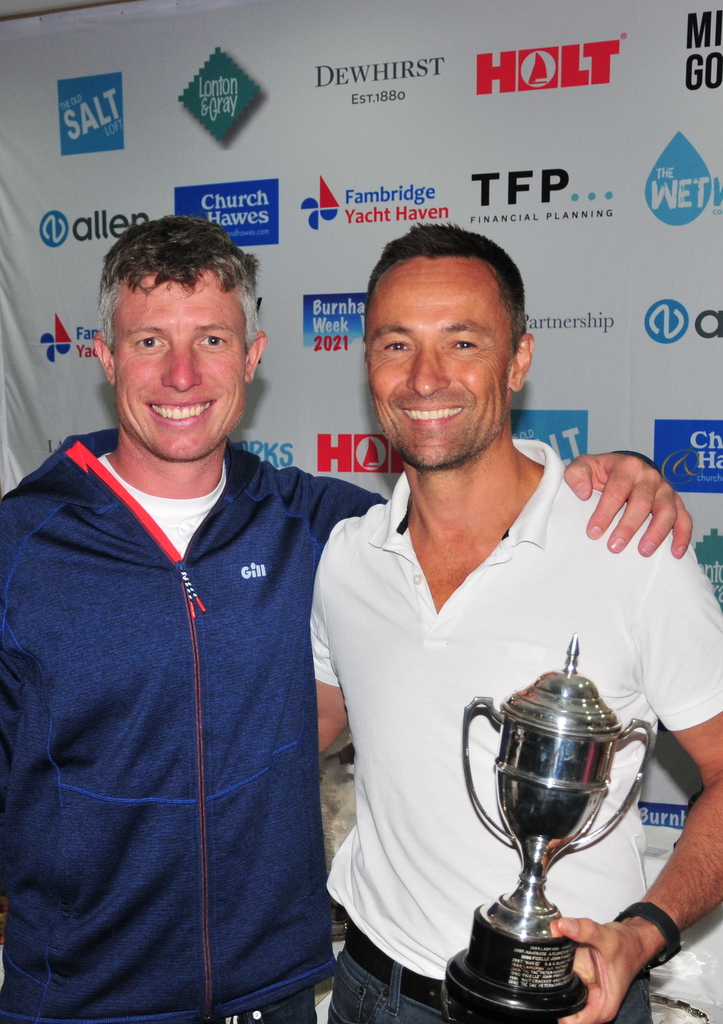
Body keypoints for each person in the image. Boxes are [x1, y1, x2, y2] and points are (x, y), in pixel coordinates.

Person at [0, 215, 688, 1024]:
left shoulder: (322, 527)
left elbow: (462, 492)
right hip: (79, 999)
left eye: (213, 340)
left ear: (252, 358)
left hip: (273, 997)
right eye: (149, 342)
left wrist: (625, 473)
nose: (181, 374)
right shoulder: (22, 544)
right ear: (106, 357)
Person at [313, 224, 723, 1024]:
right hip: (369, 992)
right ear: (366, 362)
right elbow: (308, 722)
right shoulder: (346, 558)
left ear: (519, 359)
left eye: (461, 341)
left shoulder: (626, 543)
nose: (425, 377)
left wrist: (642, 936)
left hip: (561, 1009)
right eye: (396, 345)